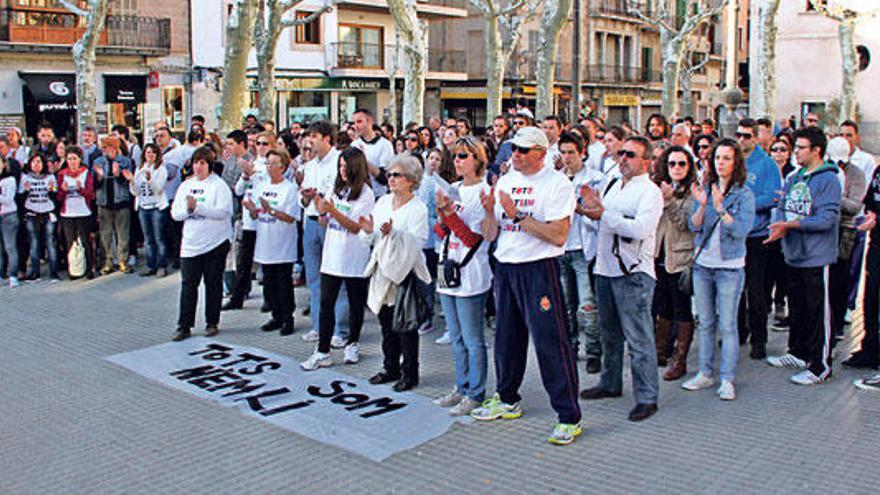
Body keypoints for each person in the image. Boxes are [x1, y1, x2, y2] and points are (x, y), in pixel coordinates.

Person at [470, 126, 582, 446]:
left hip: (539, 269)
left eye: (522, 150)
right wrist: (491, 211)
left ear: (541, 153)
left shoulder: (557, 184)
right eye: (513, 149)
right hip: (506, 266)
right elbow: (491, 234)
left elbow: (558, 235)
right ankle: (507, 398)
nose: (515, 155)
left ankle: (568, 416)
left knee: (550, 343)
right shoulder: (506, 180)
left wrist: (516, 213)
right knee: (506, 339)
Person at [579, 135, 663, 422]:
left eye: (630, 154)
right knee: (609, 333)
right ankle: (610, 382)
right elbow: (601, 221)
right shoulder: (613, 182)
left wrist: (603, 214)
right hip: (605, 268)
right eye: (622, 153)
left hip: (633, 274)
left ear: (646, 161)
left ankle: (647, 396)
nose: (623, 158)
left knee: (638, 338)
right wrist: (588, 211)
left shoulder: (650, 192)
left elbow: (639, 229)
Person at [765, 126, 842, 385]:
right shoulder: (795, 177)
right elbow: (782, 206)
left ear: (816, 150)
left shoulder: (829, 179)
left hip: (817, 256)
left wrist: (792, 226)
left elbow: (828, 219)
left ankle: (820, 365)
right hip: (793, 254)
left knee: (818, 311)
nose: (795, 152)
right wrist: (778, 227)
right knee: (796, 307)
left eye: (800, 148)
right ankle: (797, 352)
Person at [680, 139, 755, 400]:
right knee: (706, 322)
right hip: (703, 265)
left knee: (727, 324)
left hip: (730, 267)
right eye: (717, 158)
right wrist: (703, 204)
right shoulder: (706, 188)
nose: (720, 163)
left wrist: (720, 207)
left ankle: (727, 378)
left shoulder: (744, 194)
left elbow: (741, 230)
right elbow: (694, 226)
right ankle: (705, 372)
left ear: (736, 163)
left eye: (726, 158)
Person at [429, 137, 493, 416]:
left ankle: (475, 392)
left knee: (472, 338)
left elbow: (472, 238)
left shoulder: (483, 192)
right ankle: (461, 385)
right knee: (455, 336)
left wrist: (448, 213)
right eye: (454, 156)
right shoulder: (453, 188)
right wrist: (442, 215)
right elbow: (443, 233)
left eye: (463, 156)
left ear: (477, 160)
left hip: (471, 270)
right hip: (448, 265)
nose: (456, 161)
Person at [301, 147, 374, 369]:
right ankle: (322, 350)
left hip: (354, 255)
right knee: (326, 302)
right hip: (332, 255)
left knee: (355, 302)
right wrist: (320, 209)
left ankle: (353, 342)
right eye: (340, 166)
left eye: (346, 166)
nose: (342, 171)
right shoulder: (337, 188)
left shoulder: (366, 193)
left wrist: (331, 210)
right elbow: (325, 222)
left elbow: (355, 227)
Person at [360, 154, 429, 392]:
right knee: (385, 324)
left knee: (406, 325)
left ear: (411, 180)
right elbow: (371, 238)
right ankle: (390, 367)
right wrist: (368, 231)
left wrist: (394, 234)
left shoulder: (418, 208)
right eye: (389, 174)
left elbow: (417, 242)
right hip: (382, 271)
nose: (391, 179)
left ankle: (410, 372)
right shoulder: (382, 202)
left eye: (396, 175)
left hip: (403, 272)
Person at [171, 146, 233, 341]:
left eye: (202, 163)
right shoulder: (185, 186)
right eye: (196, 163)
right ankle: (184, 325)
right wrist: (189, 210)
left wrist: (199, 207)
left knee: (213, 284)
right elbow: (175, 213)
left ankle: (212, 322)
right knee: (188, 284)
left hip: (215, 243)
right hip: (191, 243)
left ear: (209, 165)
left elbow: (223, 212)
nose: (198, 167)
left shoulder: (219, 185)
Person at [297, 121, 350, 346]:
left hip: (331, 223)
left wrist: (325, 204)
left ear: (327, 138)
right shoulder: (310, 165)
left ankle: (341, 329)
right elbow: (303, 199)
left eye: (315, 137)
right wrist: (307, 197)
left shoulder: (340, 161)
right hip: (311, 222)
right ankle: (319, 326)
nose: (310, 141)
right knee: (314, 278)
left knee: (336, 276)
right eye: (309, 137)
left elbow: (344, 194)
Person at [735, 118, 782, 360]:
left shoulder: (767, 164)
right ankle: (739, 332)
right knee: (735, 289)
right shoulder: (733, 160)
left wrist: (747, 204)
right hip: (734, 235)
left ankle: (759, 339)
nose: (741, 140)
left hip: (757, 236)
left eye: (746, 136)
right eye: (738, 135)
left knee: (757, 290)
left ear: (756, 137)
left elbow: (774, 197)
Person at [557, 132, 604, 372]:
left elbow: (599, 217)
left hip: (583, 250)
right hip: (561, 248)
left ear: (582, 153)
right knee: (565, 304)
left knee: (587, 304)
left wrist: (580, 209)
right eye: (563, 153)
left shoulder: (595, 179)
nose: (567, 158)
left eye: (571, 153)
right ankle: (571, 346)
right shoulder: (555, 180)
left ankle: (594, 350)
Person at [651, 146, 698, 381]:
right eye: (672, 164)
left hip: (680, 257)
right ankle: (661, 351)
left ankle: (680, 359)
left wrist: (669, 202)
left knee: (681, 308)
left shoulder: (693, 193)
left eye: (682, 164)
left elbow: (687, 225)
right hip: (658, 254)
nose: (676, 168)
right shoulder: (657, 187)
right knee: (662, 305)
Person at [245, 149, 300, 336]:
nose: (269, 167)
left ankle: (287, 318)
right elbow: (256, 214)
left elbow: (291, 217)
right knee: (269, 284)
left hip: (282, 244)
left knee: (283, 283)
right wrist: (252, 209)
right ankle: (276, 316)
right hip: (265, 242)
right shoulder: (261, 186)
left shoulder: (290, 188)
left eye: (273, 163)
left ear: (282, 167)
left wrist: (272, 211)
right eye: (267, 163)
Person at [825, 137, 865, 345]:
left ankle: (838, 323)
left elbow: (855, 206)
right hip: (827, 229)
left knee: (840, 278)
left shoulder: (856, 174)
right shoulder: (826, 169)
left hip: (846, 230)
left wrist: (832, 196)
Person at [848, 163, 880, 380]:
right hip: (876, 244)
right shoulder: (879, 171)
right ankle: (869, 348)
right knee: (871, 298)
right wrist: (872, 216)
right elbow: (869, 200)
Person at [93, 137, 135, 275]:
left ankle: (123, 260)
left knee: (123, 233)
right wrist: (98, 177)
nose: (104, 150)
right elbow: (94, 185)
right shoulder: (98, 162)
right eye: (103, 148)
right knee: (105, 234)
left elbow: (127, 182)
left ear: (115, 148)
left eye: (107, 147)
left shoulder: (125, 161)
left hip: (121, 202)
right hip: (104, 202)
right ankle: (108, 261)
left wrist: (118, 175)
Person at [128, 143, 169, 277]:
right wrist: (132, 182)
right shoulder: (140, 168)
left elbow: (158, 189)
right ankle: (151, 264)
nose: (150, 155)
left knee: (159, 238)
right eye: (147, 152)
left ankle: (162, 265)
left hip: (156, 207)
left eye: (152, 152)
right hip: (143, 207)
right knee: (148, 239)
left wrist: (150, 180)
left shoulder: (161, 169)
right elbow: (135, 192)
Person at [768, 137, 796, 329]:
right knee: (767, 270)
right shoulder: (767, 171)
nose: (778, 153)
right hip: (766, 226)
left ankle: (780, 302)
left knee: (782, 270)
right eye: (775, 149)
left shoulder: (793, 174)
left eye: (782, 150)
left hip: (786, 226)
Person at [56, 146, 96, 280]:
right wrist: (62, 190)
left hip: (83, 211)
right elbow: (59, 198)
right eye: (69, 159)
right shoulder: (62, 174)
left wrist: (80, 190)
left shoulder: (86, 173)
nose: (72, 162)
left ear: (80, 159)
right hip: (68, 213)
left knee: (85, 241)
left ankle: (89, 268)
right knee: (70, 242)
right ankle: (73, 270)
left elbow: (91, 194)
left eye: (74, 158)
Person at [19, 153, 59, 281]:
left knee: (50, 242)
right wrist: (25, 191)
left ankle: (54, 272)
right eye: (34, 162)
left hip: (47, 212)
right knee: (34, 243)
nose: (37, 164)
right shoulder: (25, 178)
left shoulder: (50, 177)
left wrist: (52, 191)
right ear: (30, 164)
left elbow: (56, 197)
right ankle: (35, 272)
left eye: (39, 162)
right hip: (32, 212)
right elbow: (20, 198)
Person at [351, 108, 394, 198]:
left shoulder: (385, 145)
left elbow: (385, 178)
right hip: (358, 197)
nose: (356, 126)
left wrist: (364, 160)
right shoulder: (354, 145)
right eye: (354, 123)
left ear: (370, 121)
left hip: (378, 196)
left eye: (359, 122)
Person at [0, 154, 20, 287]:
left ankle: (13, 275)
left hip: (8, 215)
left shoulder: (10, 180)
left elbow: (8, 199)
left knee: (10, 246)